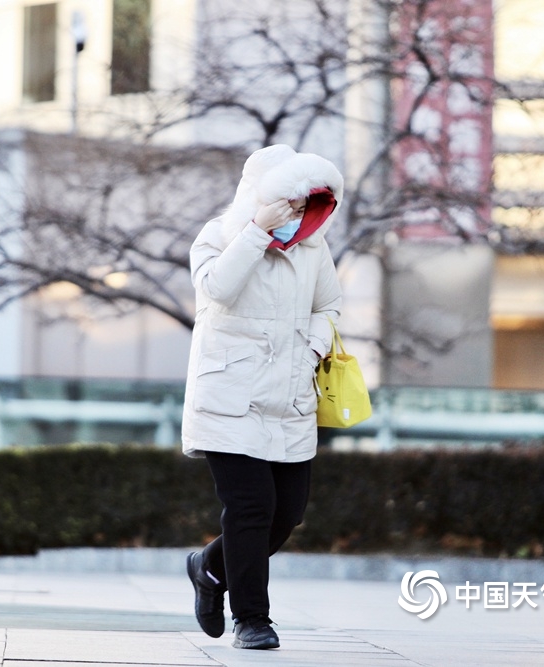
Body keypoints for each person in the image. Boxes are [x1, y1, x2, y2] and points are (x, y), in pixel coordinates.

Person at [181, 145, 343, 650]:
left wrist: (312, 346)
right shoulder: (217, 235)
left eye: (300, 202)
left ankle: (208, 566)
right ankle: (251, 619)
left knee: (286, 514)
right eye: (286, 200)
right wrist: (256, 230)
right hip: (229, 397)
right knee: (251, 508)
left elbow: (330, 304)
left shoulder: (313, 247)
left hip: (291, 398)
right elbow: (217, 290)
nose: (294, 212)